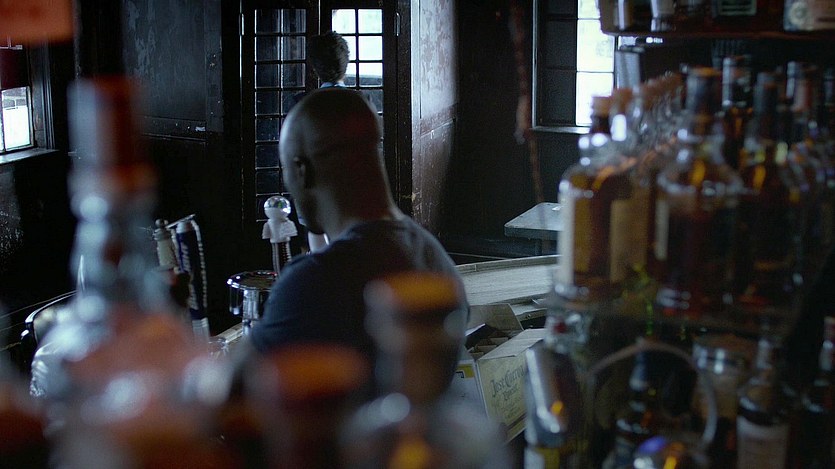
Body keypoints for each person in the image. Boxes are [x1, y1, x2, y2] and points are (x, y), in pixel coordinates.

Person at [249, 88, 468, 365]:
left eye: (286, 172)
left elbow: (234, 382)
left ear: (302, 171)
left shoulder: (313, 283)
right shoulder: (437, 262)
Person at [287, 30, 351, 252]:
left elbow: (292, 151)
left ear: (314, 67)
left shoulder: (300, 103)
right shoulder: (361, 101)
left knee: (317, 243)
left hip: (312, 186)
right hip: (351, 187)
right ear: (345, 64)